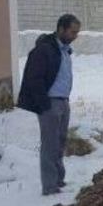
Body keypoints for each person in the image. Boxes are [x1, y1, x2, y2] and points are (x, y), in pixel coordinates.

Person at [17, 14, 81, 195]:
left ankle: (59, 180)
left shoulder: (64, 50)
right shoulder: (44, 50)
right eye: (72, 31)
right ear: (61, 29)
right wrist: (44, 104)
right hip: (50, 103)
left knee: (59, 143)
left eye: (77, 32)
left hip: (63, 101)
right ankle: (49, 186)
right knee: (49, 145)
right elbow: (34, 79)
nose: (75, 36)